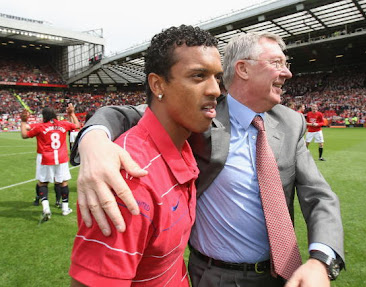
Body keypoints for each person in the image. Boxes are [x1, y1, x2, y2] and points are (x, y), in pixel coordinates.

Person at [71, 32, 345, 287]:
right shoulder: (199, 114)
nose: (287, 72)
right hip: (214, 275)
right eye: (277, 63)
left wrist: (321, 261)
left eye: (286, 64)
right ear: (244, 69)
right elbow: (134, 113)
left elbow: (318, 195)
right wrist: (93, 139)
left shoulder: (291, 122)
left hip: (283, 273)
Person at [69, 25, 223, 286]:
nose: (216, 90)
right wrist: (93, 137)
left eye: (217, 77)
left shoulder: (183, 145)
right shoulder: (128, 180)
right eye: (198, 76)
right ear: (157, 84)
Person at [20, 104, 80, 221]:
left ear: (44, 116)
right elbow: (77, 126)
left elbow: (24, 134)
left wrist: (23, 121)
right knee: (63, 182)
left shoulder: (40, 126)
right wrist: (71, 113)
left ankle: (46, 208)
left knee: (43, 183)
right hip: (61, 158)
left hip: (45, 158)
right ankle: (65, 209)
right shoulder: (64, 124)